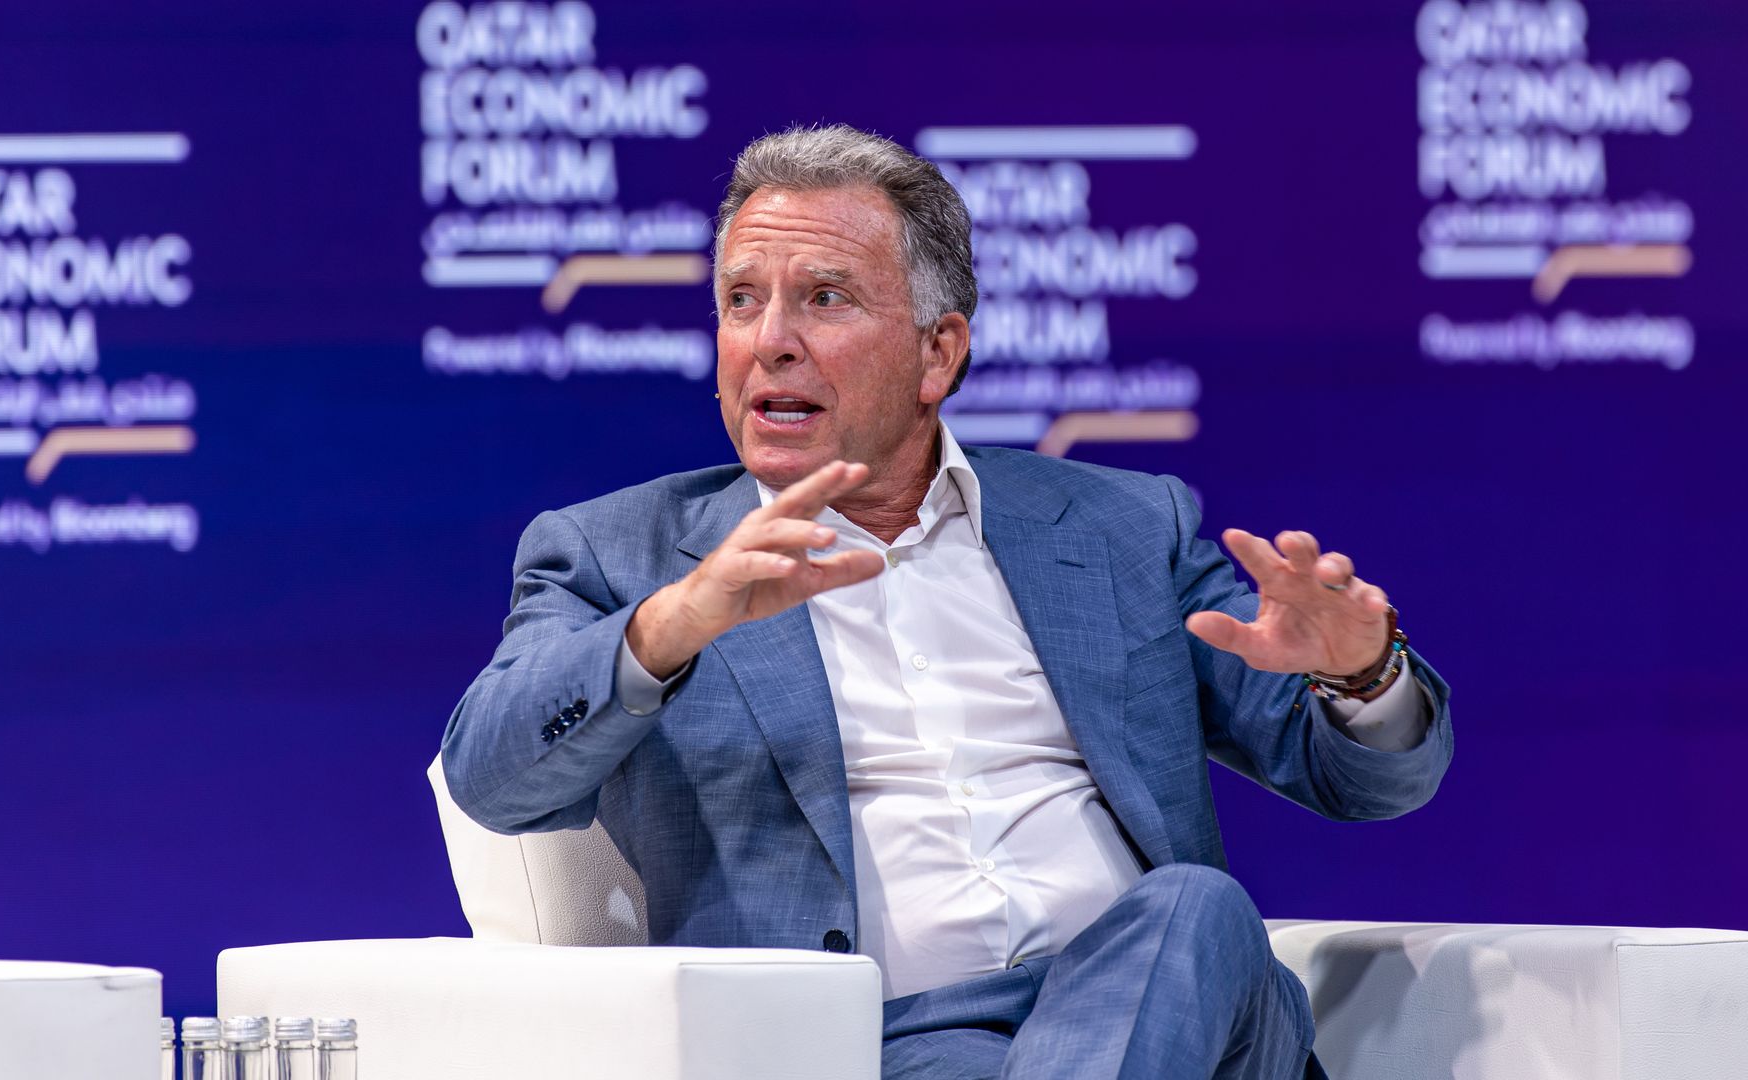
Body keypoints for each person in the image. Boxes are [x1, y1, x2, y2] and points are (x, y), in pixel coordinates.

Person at [441, 124, 1451, 1079]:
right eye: (742, 300)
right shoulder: (620, 557)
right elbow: (491, 777)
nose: (771, 341)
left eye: (825, 298)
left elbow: (1363, 784)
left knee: (1191, 911)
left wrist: (1361, 674)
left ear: (939, 352)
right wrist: (674, 625)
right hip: (889, 1047)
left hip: (1185, 1009)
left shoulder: (1122, 529)